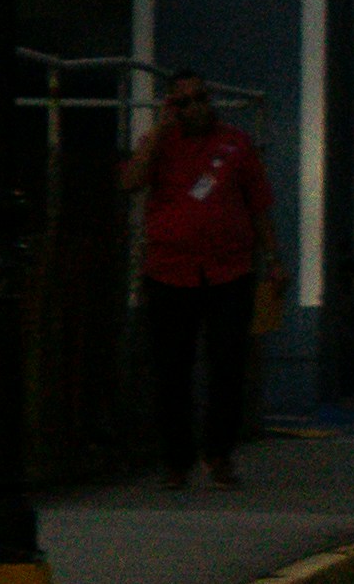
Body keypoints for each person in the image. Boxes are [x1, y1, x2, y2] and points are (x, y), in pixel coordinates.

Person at [120, 64, 283, 490]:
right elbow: (131, 182)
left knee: (227, 366)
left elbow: (259, 205)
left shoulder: (235, 144)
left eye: (200, 98)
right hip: (170, 273)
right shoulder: (159, 145)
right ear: (172, 105)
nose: (195, 108)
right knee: (171, 370)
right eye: (184, 101)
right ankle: (177, 459)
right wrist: (158, 133)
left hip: (229, 271)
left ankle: (219, 453)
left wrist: (273, 259)